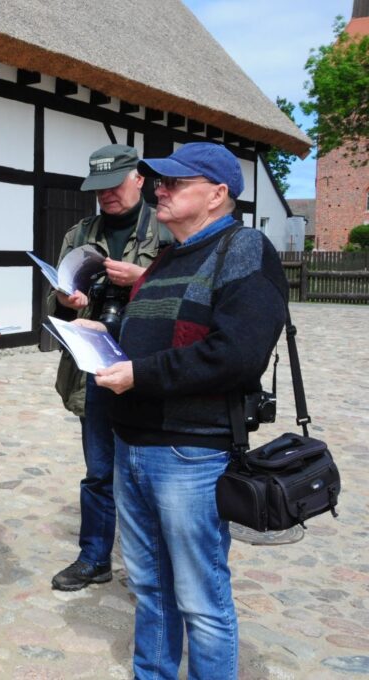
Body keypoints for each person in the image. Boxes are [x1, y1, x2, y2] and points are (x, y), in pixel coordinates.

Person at [92, 142, 288, 679]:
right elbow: (159, 340)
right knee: (151, 589)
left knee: (200, 598)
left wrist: (139, 374)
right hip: (133, 443)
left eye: (176, 182)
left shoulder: (244, 249)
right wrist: (103, 336)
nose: (161, 189)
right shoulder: (167, 256)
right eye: (160, 181)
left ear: (218, 194)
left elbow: (237, 355)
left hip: (190, 453)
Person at [48, 143, 171, 592]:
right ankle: (95, 558)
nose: (107, 196)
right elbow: (55, 308)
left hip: (152, 369)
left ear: (139, 177)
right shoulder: (79, 235)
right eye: (99, 189)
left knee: (153, 473)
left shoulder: (170, 229)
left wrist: (144, 281)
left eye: (115, 186)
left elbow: (192, 297)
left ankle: (157, 564)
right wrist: (65, 301)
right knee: (100, 471)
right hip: (97, 368)